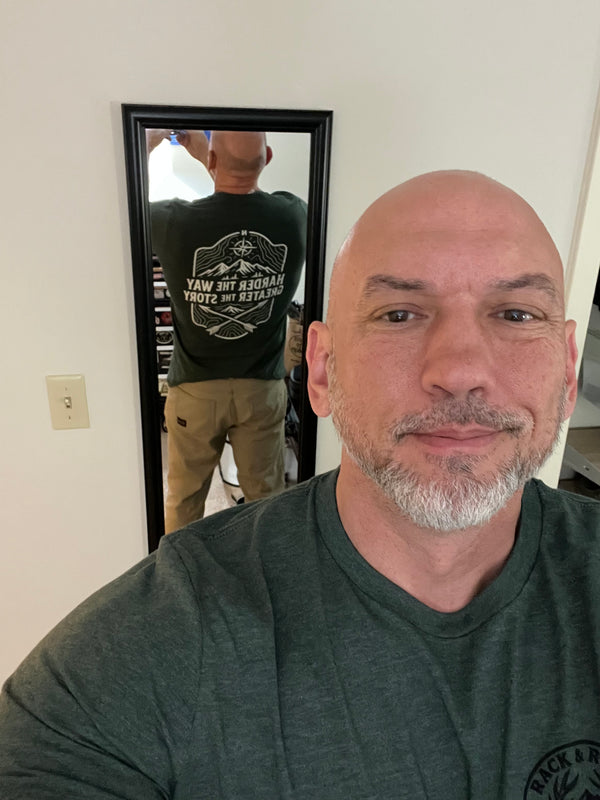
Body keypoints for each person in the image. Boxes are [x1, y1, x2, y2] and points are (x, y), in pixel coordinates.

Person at [2, 170, 600, 799]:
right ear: (320, 369)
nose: (458, 371)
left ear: (565, 369)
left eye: (515, 313)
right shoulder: (145, 653)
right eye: (398, 314)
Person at [147, 129, 307, 532]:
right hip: (261, 390)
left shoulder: (171, 220)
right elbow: (248, 191)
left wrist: (151, 143)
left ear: (213, 161)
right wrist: (222, 160)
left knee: (184, 501)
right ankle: (266, 578)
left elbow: (115, 200)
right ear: (268, 156)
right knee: (266, 500)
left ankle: (181, 584)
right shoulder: (294, 215)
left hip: (196, 391)